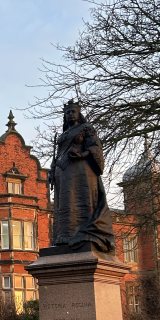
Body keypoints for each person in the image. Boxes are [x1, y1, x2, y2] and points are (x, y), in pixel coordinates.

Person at [48, 100, 116, 252]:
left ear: (78, 114)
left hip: (80, 170)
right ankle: (63, 236)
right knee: (63, 203)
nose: (70, 114)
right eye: (68, 113)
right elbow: (58, 154)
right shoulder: (63, 134)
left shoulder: (86, 128)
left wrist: (81, 154)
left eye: (73, 112)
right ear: (64, 116)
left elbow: (95, 147)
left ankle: (82, 233)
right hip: (62, 171)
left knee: (79, 200)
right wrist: (52, 170)